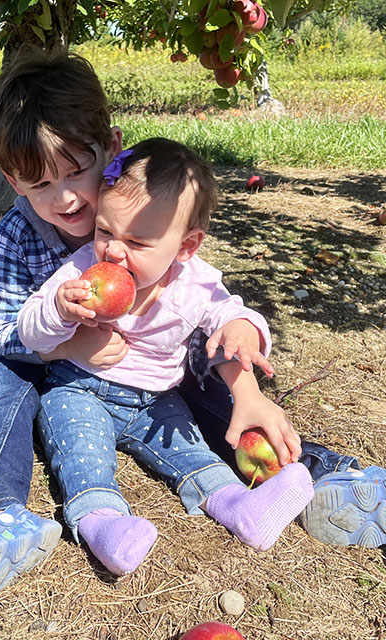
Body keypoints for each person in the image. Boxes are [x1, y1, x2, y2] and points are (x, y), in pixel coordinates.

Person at [0, 49, 386, 625]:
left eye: (78, 171)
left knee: (204, 364)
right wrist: (69, 343)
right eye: (41, 183)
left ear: (112, 150)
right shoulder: (17, 236)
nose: (66, 198)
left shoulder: (148, 201)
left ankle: (319, 479)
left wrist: (246, 382)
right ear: (12, 180)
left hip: (153, 370)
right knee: (5, 381)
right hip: (57, 364)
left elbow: (208, 307)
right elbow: (6, 332)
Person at [16, 138, 316, 575]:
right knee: (82, 455)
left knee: (195, 454)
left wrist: (241, 331)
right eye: (105, 231)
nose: (114, 251)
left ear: (185, 247)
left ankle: (238, 506)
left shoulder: (195, 283)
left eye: (137, 241)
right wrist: (59, 310)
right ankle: (102, 521)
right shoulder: (81, 272)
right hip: (80, 388)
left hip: (156, 401)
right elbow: (29, 329)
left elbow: (232, 314)